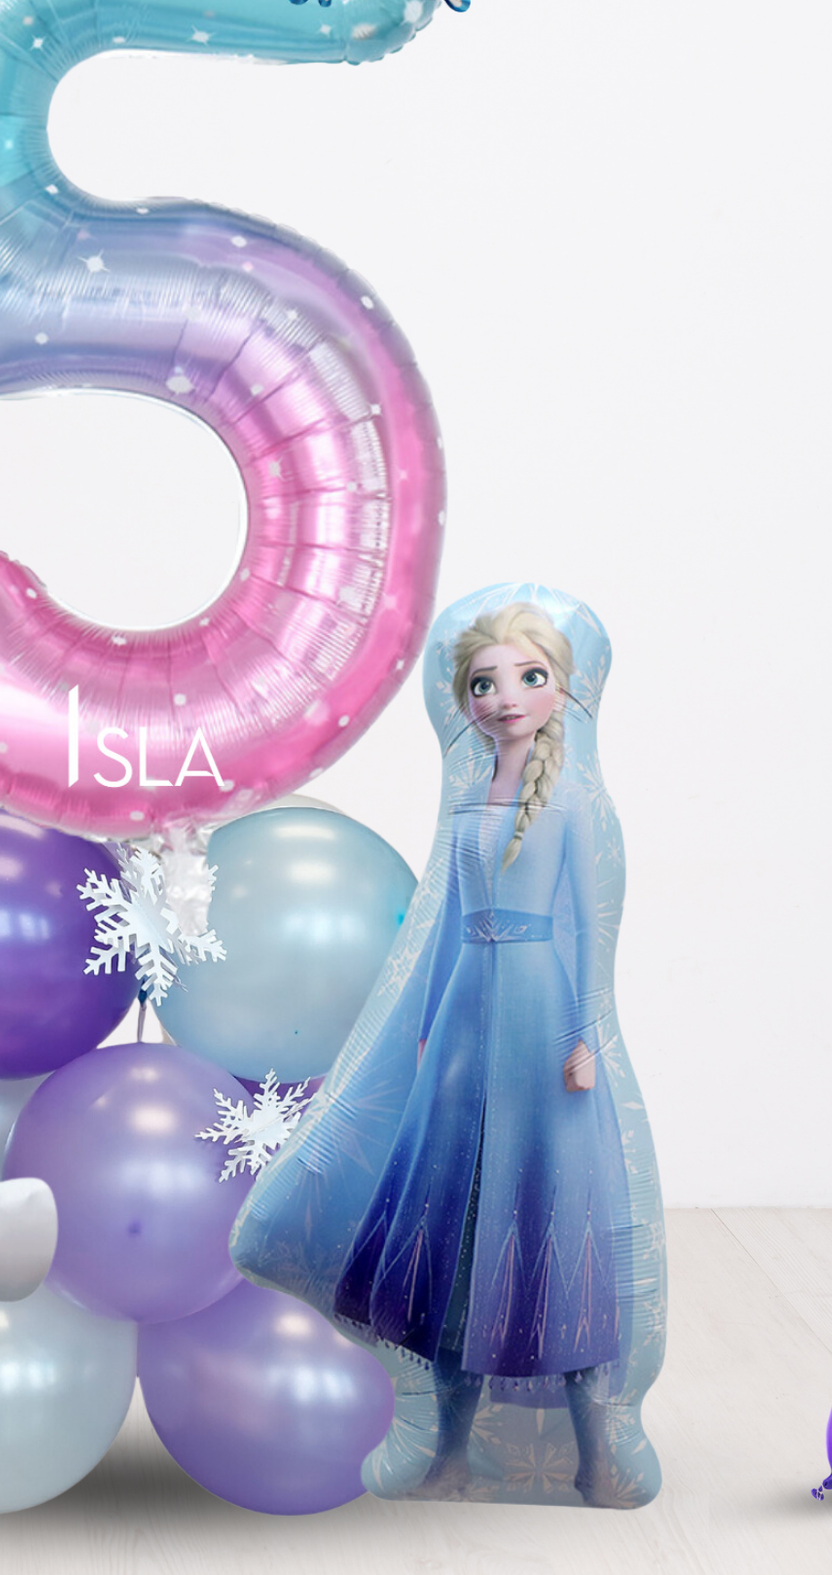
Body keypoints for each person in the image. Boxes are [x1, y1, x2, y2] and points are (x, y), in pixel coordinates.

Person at [331, 602, 636, 1504]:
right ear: (464, 700)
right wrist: (429, 1022)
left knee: (548, 1216)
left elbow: (591, 930)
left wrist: (585, 1032)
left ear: (560, 689)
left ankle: (598, 1457)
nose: (504, 697)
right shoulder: (468, 802)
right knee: (457, 1228)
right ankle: (452, 1455)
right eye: (483, 683)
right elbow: (447, 930)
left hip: (541, 1009)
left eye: (528, 677)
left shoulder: (572, 801)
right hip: (466, 1016)